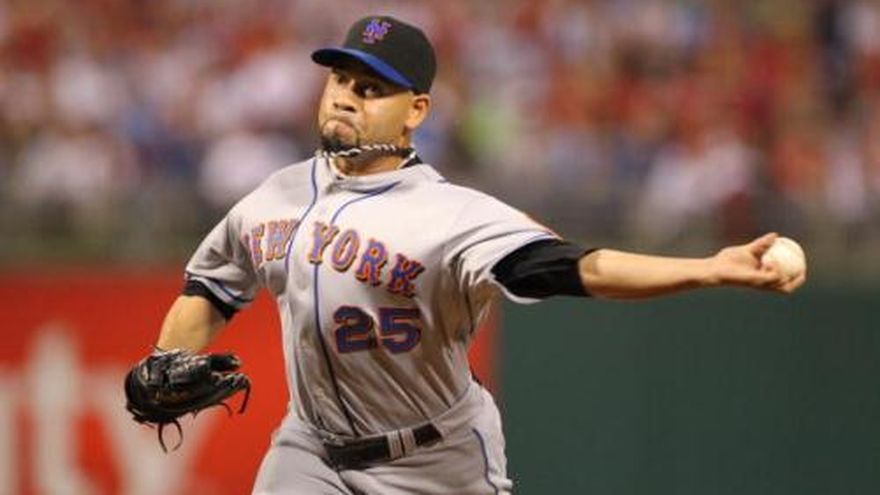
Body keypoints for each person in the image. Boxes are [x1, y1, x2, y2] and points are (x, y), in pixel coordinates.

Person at [139, 15, 805, 494]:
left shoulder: (452, 215)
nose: (345, 95)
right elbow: (211, 286)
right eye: (340, 78)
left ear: (415, 110)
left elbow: (574, 267)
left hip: (436, 461)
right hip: (310, 451)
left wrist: (708, 268)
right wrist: (165, 358)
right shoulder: (274, 197)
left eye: (370, 88)